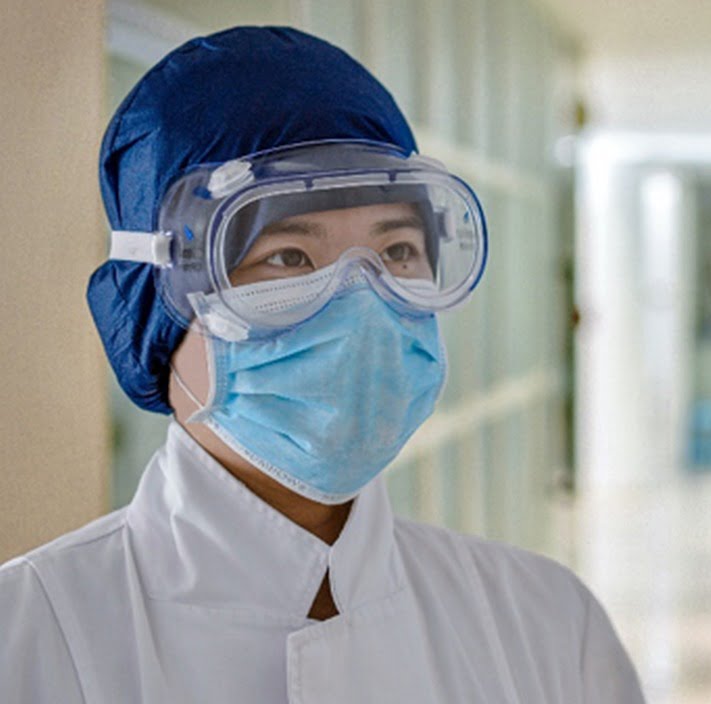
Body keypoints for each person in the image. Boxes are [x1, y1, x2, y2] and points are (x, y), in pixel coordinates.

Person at [0, 26, 645, 703]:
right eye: (288, 257)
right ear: (153, 301)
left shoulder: (545, 625)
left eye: (397, 251)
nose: (361, 303)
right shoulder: (28, 641)